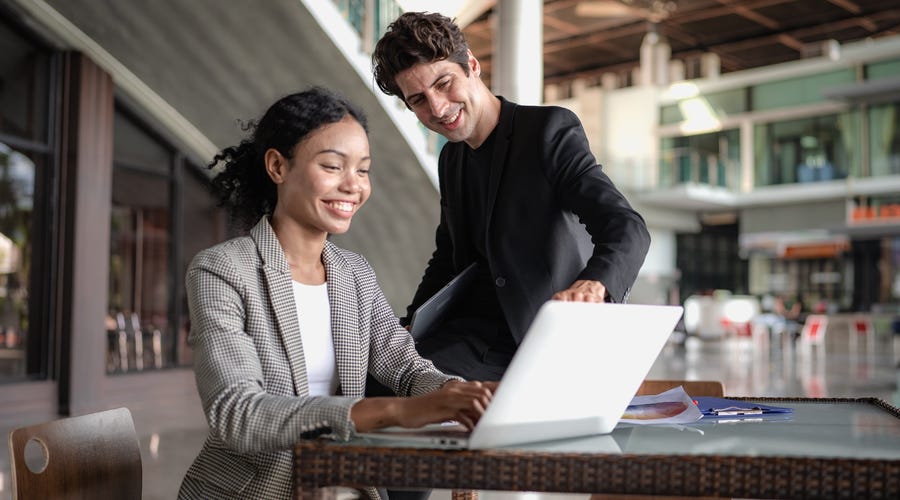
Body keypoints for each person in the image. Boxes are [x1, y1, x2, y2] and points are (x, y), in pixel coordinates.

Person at [178, 88, 494, 500]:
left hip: (342, 488)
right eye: (332, 166)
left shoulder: (354, 273)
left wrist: (459, 394)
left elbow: (406, 369)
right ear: (277, 166)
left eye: (363, 170)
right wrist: (394, 411)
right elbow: (238, 414)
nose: (353, 186)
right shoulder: (222, 270)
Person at [370, 12, 651, 383]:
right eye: (419, 100)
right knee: (373, 374)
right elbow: (448, 256)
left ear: (472, 65)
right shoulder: (451, 157)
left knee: (397, 386)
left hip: (533, 337)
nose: (437, 108)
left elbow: (626, 226)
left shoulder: (546, 131)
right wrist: (411, 323)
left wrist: (594, 284)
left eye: (444, 83)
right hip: (468, 334)